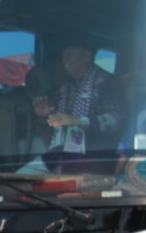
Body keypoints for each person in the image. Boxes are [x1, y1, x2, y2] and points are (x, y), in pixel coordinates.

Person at [25, 41, 124, 174]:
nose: (65, 60)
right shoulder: (66, 87)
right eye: (64, 56)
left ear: (87, 56)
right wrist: (45, 114)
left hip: (95, 158)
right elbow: (53, 127)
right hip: (60, 155)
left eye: (70, 55)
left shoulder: (107, 82)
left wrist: (78, 121)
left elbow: (115, 121)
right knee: (22, 177)